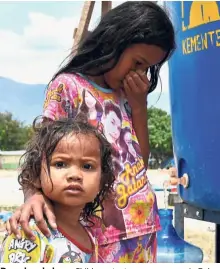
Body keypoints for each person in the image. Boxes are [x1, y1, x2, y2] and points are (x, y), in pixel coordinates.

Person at [6, 1, 175, 263]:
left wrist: (139, 107)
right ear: (115, 40)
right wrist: (33, 195)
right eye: (137, 62)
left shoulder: (128, 97)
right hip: (100, 232)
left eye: (146, 69)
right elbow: (42, 151)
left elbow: (139, 160)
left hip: (144, 227)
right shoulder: (69, 87)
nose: (139, 74)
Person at [0, 118, 116, 263]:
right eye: (60, 164)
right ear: (37, 175)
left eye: (87, 166)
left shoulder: (93, 229)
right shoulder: (29, 232)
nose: (75, 175)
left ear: (102, 181)